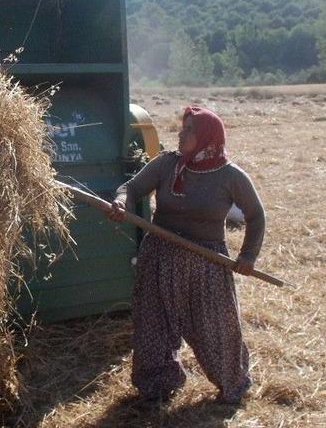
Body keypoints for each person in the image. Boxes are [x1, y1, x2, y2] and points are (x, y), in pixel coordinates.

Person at [108, 106, 265, 405]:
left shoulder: (230, 176)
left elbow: (256, 215)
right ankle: (157, 385)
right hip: (159, 257)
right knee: (154, 324)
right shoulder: (167, 164)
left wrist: (248, 255)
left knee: (216, 327)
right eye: (183, 127)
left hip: (206, 264)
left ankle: (231, 382)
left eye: (189, 129)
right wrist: (121, 201)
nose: (181, 133)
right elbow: (132, 187)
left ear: (207, 136)